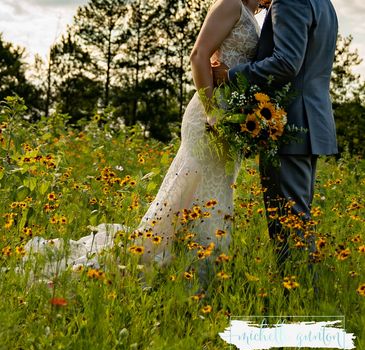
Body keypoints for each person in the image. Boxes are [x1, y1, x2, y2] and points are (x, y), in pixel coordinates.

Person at [25, 0, 263, 277]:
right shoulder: (230, 4)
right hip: (209, 117)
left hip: (232, 120)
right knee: (194, 192)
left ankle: (198, 266)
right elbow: (198, 55)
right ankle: (192, 268)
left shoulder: (251, 12)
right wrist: (212, 111)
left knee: (215, 192)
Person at [212, 0, 338, 268]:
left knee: (288, 221)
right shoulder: (324, 4)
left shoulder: (290, 1)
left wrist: (231, 75)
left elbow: (286, 63)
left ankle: (298, 296)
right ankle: (303, 295)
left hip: (289, 121)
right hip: (312, 120)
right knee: (296, 217)